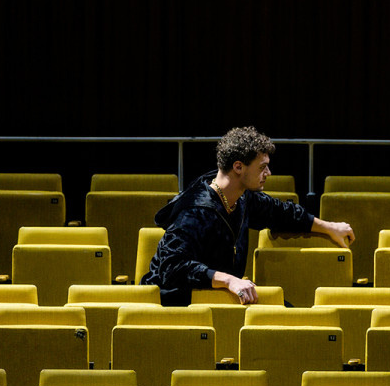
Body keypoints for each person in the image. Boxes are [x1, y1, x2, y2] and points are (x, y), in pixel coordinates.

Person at [141, 126, 355, 306]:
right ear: (238, 167)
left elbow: (282, 213)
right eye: (262, 167)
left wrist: (329, 227)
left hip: (215, 296)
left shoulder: (243, 198)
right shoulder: (194, 211)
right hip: (176, 303)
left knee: (286, 312)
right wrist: (228, 281)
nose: (268, 173)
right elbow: (171, 267)